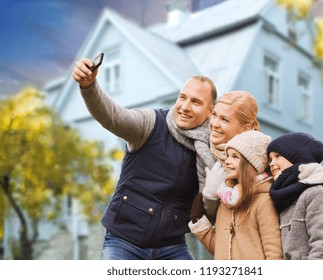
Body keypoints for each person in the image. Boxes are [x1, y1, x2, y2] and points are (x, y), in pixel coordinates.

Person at [72, 58, 217, 260]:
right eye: (182, 97)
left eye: (195, 102)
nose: (184, 106)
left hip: (171, 246)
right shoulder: (151, 124)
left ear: (211, 111)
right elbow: (112, 116)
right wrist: (89, 86)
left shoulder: (212, 146)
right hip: (124, 241)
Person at [189, 131, 283, 260]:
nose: (227, 161)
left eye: (235, 157)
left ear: (250, 163)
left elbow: (274, 254)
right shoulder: (226, 200)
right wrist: (199, 223)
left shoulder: (263, 201)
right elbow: (220, 250)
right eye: (227, 155)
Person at [267, 132, 323, 260]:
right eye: (270, 159)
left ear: (297, 158)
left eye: (277, 156)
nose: (271, 163)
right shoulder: (285, 199)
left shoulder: (317, 194)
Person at [195, 91, 262, 224]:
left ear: (245, 128)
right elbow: (209, 219)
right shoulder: (203, 151)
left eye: (224, 119)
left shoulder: (259, 156)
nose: (214, 124)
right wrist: (209, 195)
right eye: (214, 115)